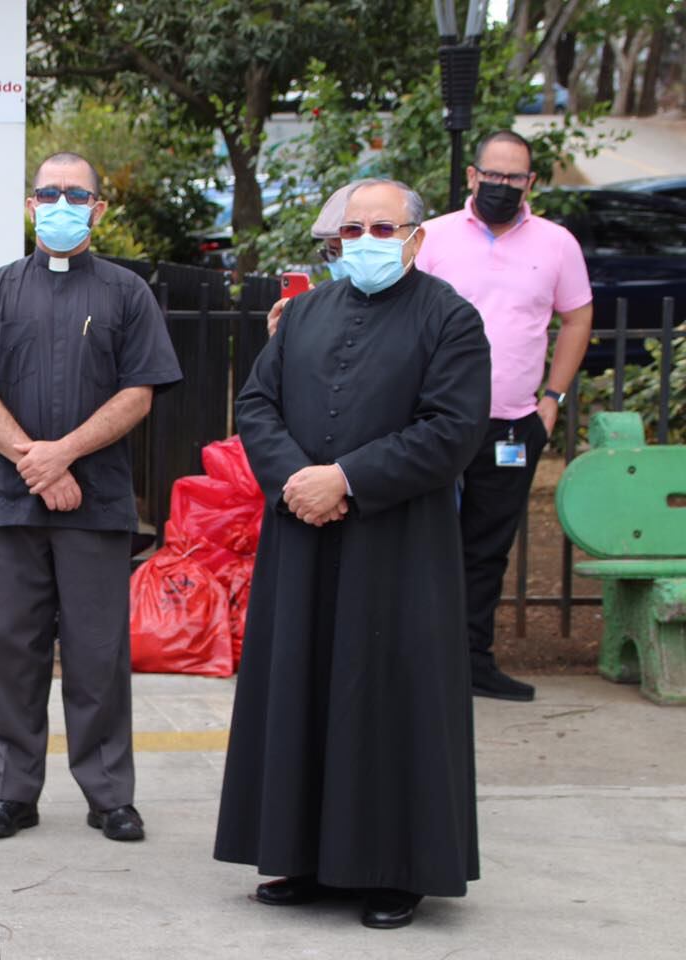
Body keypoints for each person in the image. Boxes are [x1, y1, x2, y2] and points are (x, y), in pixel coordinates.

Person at [214, 179, 490, 929]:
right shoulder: (302, 314)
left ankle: (395, 869)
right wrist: (296, 479)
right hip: (303, 535)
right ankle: (302, 856)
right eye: (353, 229)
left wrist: (347, 478)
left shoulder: (451, 320)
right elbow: (257, 405)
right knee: (302, 688)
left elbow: (452, 429)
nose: (366, 240)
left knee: (389, 698)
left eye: (383, 227)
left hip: (396, 543)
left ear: (416, 237)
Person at [0, 152, 181, 844]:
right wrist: (37, 462)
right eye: (49, 193)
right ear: (31, 205)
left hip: (97, 502)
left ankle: (109, 794)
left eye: (75, 194)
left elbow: (139, 392)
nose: (61, 204)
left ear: (98, 208)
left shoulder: (126, 293)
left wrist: (65, 455)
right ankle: (10, 791)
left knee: (97, 655)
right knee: (10, 652)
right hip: (12, 499)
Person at [417, 130, 594, 703]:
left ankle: (471, 662)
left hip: (514, 422)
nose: (501, 186)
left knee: (487, 548)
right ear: (472, 176)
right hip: (433, 418)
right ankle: (414, 663)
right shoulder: (432, 237)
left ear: (531, 183)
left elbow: (577, 319)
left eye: (513, 178)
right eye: (491, 176)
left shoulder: (558, 243)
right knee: (417, 539)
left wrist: (551, 402)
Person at [265, 181, 357, 337]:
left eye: (349, 250)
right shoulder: (323, 303)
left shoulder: (409, 306)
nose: (341, 260)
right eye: (332, 252)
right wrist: (282, 342)